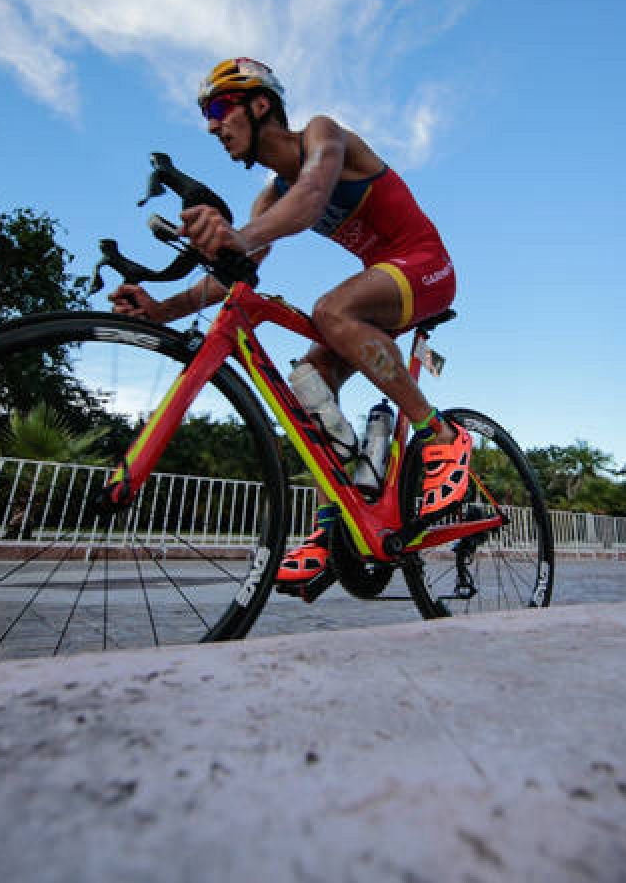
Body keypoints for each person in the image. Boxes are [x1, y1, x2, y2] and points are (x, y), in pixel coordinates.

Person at [108, 58, 468, 590]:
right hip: (382, 287)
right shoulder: (268, 197)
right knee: (308, 385)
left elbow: (311, 198)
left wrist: (240, 235)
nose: (211, 127)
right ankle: (335, 527)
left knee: (329, 310)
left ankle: (440, 435)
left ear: (259, 104)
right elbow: (235, 273)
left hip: (425, 264)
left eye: (217, 109)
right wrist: (161, 309)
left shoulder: (322, 135)